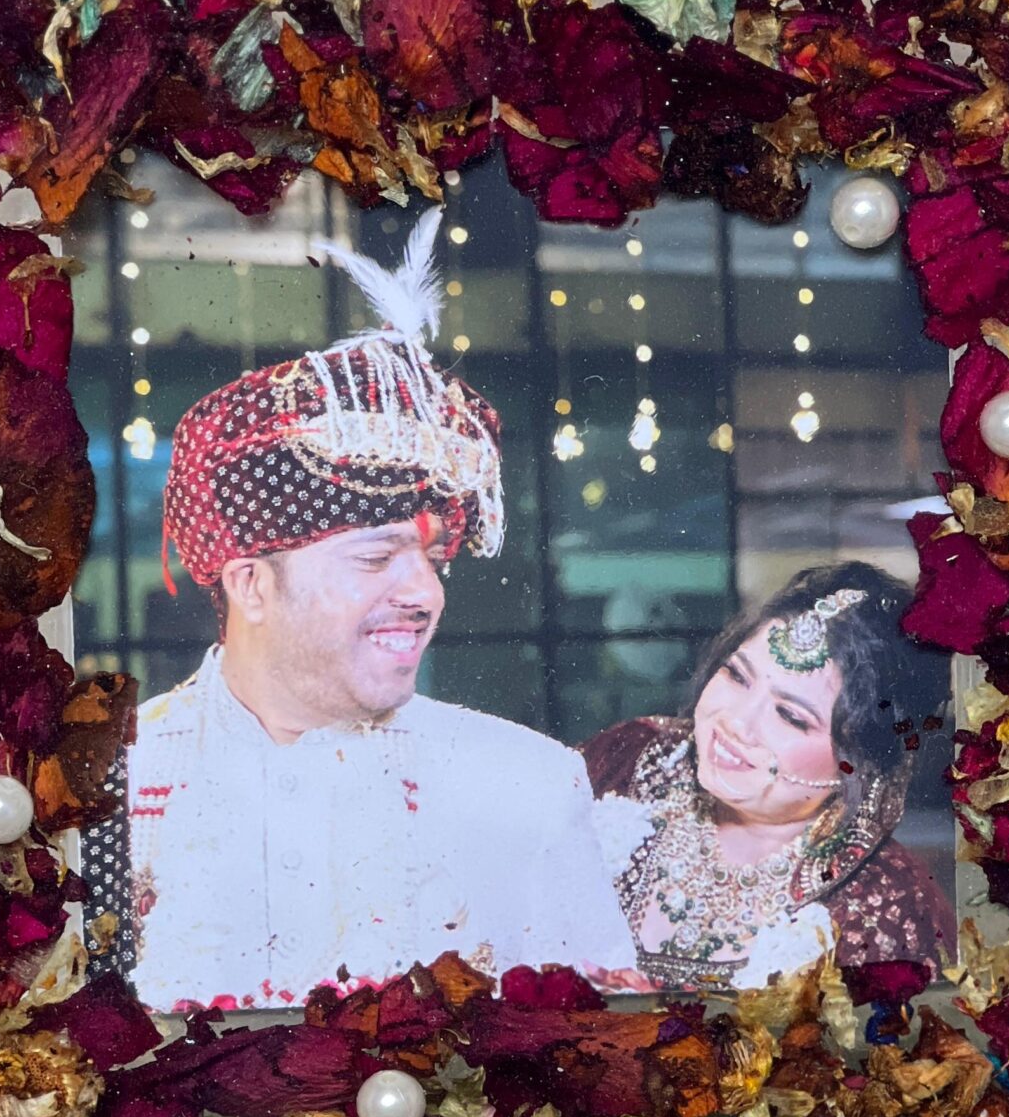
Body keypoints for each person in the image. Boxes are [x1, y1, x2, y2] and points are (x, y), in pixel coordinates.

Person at [124, 215, 637, 1011]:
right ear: (250, 584)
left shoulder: (526, 785)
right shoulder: (116, 784)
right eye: (374, 558)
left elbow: (597, 1056)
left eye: (432, 559)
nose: (425, 594)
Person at [583, 561, 955, 989]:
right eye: (736, 675)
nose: (736, 722)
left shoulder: (887, 909)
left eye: (790, 716)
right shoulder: (626, 761)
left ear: (859, 762)